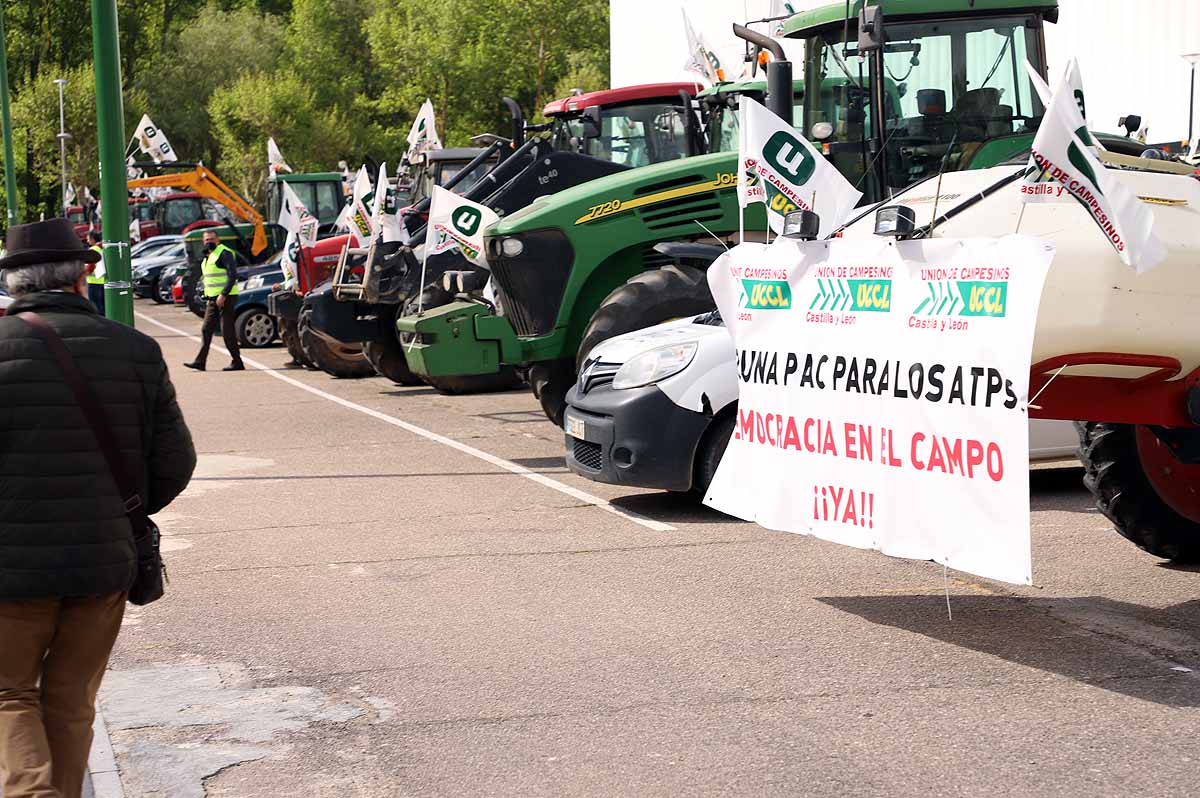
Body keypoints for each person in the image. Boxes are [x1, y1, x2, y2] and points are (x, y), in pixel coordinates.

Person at [0, 218, 196, 798]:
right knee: (71, 700)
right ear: (83, 278)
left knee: (10, 693)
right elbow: (175, 461)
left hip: (10, 569)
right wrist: (119, 509)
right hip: (103, 563)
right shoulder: (136, 350)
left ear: (14, 283)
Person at [184, 229, 243, 371]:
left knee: (227, 331)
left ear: (218, 240)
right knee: (206, 329)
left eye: (211, 239)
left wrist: (223, 294)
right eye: (206, 240)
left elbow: (232, 275)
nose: (208, 242)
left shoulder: (224, 253)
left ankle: (237, 362)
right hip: (212, 299)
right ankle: (200, 362)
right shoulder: (208, 256)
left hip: (226, 297)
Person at [83, 231, 104, 315]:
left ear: (92, 239)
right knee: (102, 305)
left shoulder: (93, 249)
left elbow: (91, 266)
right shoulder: (101, 248)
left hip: (94, 282)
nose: (87, 241)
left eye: (88, 239)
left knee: (95, 305)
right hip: (103, 280)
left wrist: (84, 273)